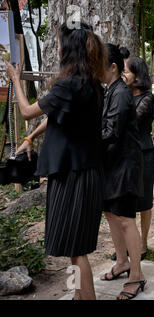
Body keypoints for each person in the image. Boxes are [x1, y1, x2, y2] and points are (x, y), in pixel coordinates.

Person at [6, 22, 105, 300]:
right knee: (76, 250)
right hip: (85, 172)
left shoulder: (68, 85)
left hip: (72, 175)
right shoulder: (91, 84)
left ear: (68, 49)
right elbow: (54, 117)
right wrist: (30, 139)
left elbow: (27, 112)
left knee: (76, 250)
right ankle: (78, 295)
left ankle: (86, 298)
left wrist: (15, 78)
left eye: (60, 43)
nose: (57, 47)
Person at [99, 44, 146, 301]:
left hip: (125, 165)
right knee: (110, 213)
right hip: (111, 163)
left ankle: (136, 274)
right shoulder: (109, 91)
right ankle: (122, 262)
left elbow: (111, 132)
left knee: (126, 218)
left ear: (113, 67)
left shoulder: (120, 93)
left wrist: (84, 139)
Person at [122, 56, 154, 261]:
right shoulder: (122, 94)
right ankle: (128, 243)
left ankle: (143, 242)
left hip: (143, 152)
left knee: (144, 200)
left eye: (126, 70)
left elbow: (130, 120)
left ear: (137, 74)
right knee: (127, 199)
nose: (123, 74)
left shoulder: (147, 98)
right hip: (124, 153)